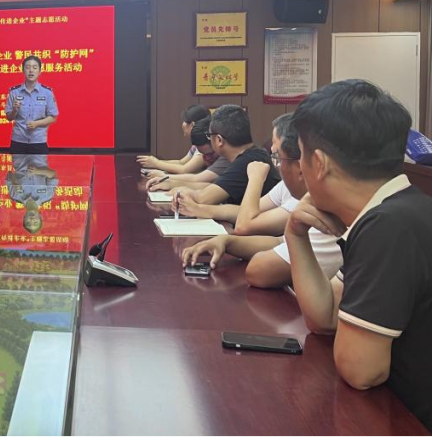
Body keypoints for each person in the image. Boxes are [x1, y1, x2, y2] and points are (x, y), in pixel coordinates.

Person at [285, 80, 431, 430]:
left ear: (318, 163)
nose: (300, 168)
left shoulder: (387, 227)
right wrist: (295, 235)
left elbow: (361, 369)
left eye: (301, 154)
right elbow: (325, 317)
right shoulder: (397, 210)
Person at [180, 113, 342, 288]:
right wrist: (226, 242)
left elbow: (257, 266)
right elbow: (279, 242)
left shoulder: (325, 207)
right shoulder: (295, 189)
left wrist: (255, 179)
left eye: (277, 156)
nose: (275, 164)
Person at [173, 105, 280, 211]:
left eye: (209, 136)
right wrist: (179, 186)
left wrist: (180, 191)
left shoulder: (247, 161)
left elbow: (204, 198)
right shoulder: (253, 154)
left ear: (219, 140)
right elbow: (216, 186)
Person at [147, 117, 230, 191]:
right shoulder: (205, 147)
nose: (206, 158)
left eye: (210, 154)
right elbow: (209, 185)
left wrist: (163, 175)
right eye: (203, 155)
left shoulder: (226, 158)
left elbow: (196, 177)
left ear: (218, 141)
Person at [5, 55, 59, 154]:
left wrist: (37, 124)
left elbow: (53, 117)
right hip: (18, 141)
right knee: (17, 165)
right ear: (23, 70)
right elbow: (9, 117)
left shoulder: (47, 93)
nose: (31, 70)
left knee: (39, 165)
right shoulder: (14, 92)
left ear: (40, 71)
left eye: (34, 67)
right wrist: (14, 110)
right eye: (28, 67)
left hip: (38, 141)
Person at [138, 105, 212, 174]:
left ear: (192, 125)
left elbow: (184, 170)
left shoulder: (204, 145)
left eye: (184, 121)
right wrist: (154, 162)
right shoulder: (197, 143)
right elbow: (181, 162)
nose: (183, 124)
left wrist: (156, 164)